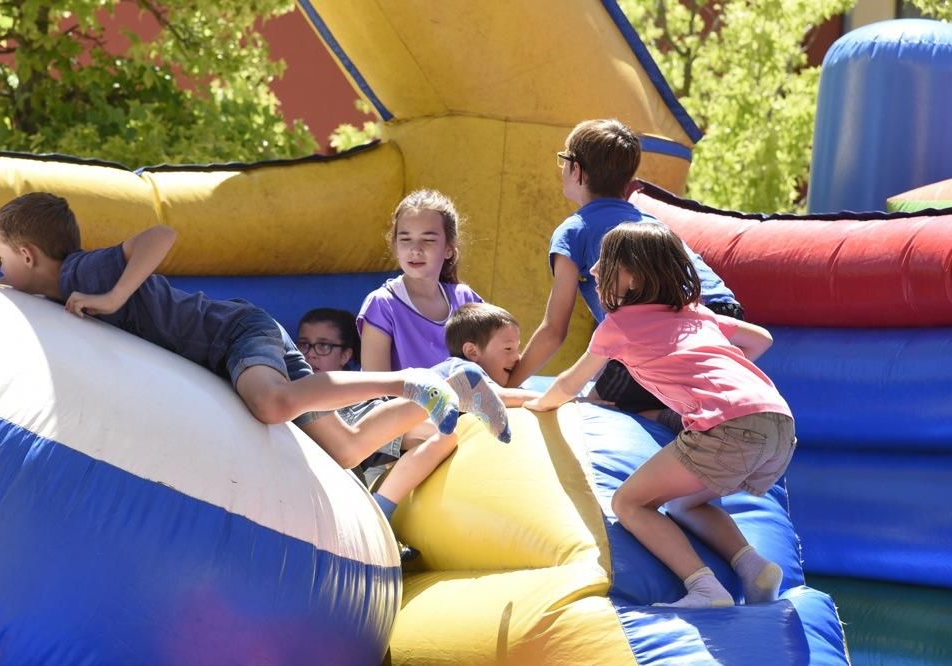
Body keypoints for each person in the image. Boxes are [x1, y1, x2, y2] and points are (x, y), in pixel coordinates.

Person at [0, 192, 508, 474]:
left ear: (30, 255)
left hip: (233, 333)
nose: (1, 269)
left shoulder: (84, 273)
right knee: (346, 448)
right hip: (238, 339)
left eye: (2, 259)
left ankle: (409, 381)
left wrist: (113, 297)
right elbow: (7, 288)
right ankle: (453, 383)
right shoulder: (55, 287)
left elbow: (159, 234)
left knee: (272, 403)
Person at [525, 222, 795, 609]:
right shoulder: (696, 314)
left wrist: (537, 403)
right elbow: (760, 339)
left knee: (629, 504)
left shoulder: (617, 326)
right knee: (686, 504)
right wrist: (716, 384)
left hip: (727, 429)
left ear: (631, 276)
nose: (596, 269)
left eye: (606, 262)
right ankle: (754, 567)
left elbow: (570, 385)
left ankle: (704, 587)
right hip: (778, 423)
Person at [507, 119, 744, 424]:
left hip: (666, 328)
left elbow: (554, 329)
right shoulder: (649, 222)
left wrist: (508, 384)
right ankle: (667, 415)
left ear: (576, 170)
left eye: (564, 160)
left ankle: (662, 417)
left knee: (592, 411)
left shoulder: (574, 231)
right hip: (724, 317)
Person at [298, 304, 531, 562]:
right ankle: (381, 515)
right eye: (304, 346)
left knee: (445, 436)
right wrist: (554, 398)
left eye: (322, 346)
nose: (310, 355)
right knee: (444, 434)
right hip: (356, 416)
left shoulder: (455, 372)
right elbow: (502, 396)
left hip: (375, 415)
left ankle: (381, 514)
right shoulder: (461, 370)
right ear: (471, 351)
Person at [357, 188, 482, 373]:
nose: (415, 249)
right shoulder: (382, 305)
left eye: (428, 240)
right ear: (395, 246)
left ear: (449, 248)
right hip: (401, 402)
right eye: (405, 239)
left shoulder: (466, 298)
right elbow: (375, 391)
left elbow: (495, 364)